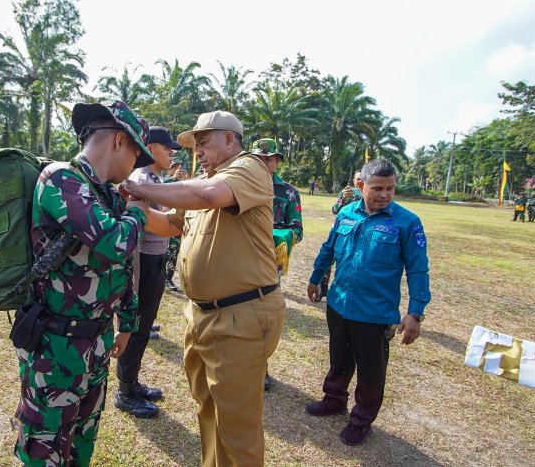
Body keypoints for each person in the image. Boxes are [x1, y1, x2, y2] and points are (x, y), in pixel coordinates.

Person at [121, 111, 285, 466]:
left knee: (236, 428)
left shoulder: (249, 168)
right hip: (203, 316)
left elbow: (209, 195)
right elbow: (168, 224)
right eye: (195, 146)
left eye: (204, 142)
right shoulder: (203, 183)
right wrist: (132, 205)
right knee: (209, 411)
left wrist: (140, 186)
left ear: (229, 139)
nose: (199, 152)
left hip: (240, 315)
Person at [14, 100, 154, 466]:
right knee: (45, 447)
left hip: (96, 343)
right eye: (137, 157)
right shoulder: (61, 178)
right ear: (121, 141)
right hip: (55, 346)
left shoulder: (104, 192)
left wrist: (127, 321)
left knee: (82, 442)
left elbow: (120, 268)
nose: (134, 171)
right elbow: (115, 243)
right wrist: (139, 209)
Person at [305, 159, 431, 446]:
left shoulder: (407, 222)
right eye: (377, 188)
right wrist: (316, 278)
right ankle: (334, 399)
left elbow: (418, 269)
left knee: (371, 372)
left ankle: (361, 420)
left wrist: (415, 312)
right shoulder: (347, 213)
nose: (384, 194)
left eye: (390, 189)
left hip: (375, 314)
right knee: (338, 357)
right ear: (361, 186)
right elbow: (328, 249)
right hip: (338, 305)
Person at [114, 126, 180, 419]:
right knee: (136, 327)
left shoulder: (153, 179)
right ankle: (124, 392)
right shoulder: (141, 180)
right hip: (143, 264)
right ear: (151, 147)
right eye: (167, 148)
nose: (171, 153)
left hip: (155, 261)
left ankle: (131, 382)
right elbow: (138, 230)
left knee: (143, 327)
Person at [252, 138, 303, 392]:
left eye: (268, 158)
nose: (263, 162)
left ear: (277, 161)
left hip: (270, 263)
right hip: (238, 259)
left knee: (262, 317)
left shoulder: (288, 192)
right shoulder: (241, 185)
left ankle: (261, 368)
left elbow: (298, 229)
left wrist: (277, 238)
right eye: (258, 158)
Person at [319, 170, 363, 300]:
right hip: (340, 232)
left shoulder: (368, 196)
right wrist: (343, 198)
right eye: (358, 179)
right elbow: (334, 210)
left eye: (362, 178)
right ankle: (323, 289)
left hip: (357, 235)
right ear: (354, 181)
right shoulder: (346, 192)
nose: (359, 181)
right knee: (327, 260)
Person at [164, 158, 188, 292]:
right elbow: (163, 189)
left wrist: (183, 181)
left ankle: (168, 278)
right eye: (175, 167)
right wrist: (174, 179)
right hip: (164, 221)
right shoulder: (164, 181)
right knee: (163, 252)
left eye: (179, 167)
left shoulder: (185, 183)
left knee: (174, 250)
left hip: (177, 223)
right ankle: (161, 276)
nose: (178, 170)